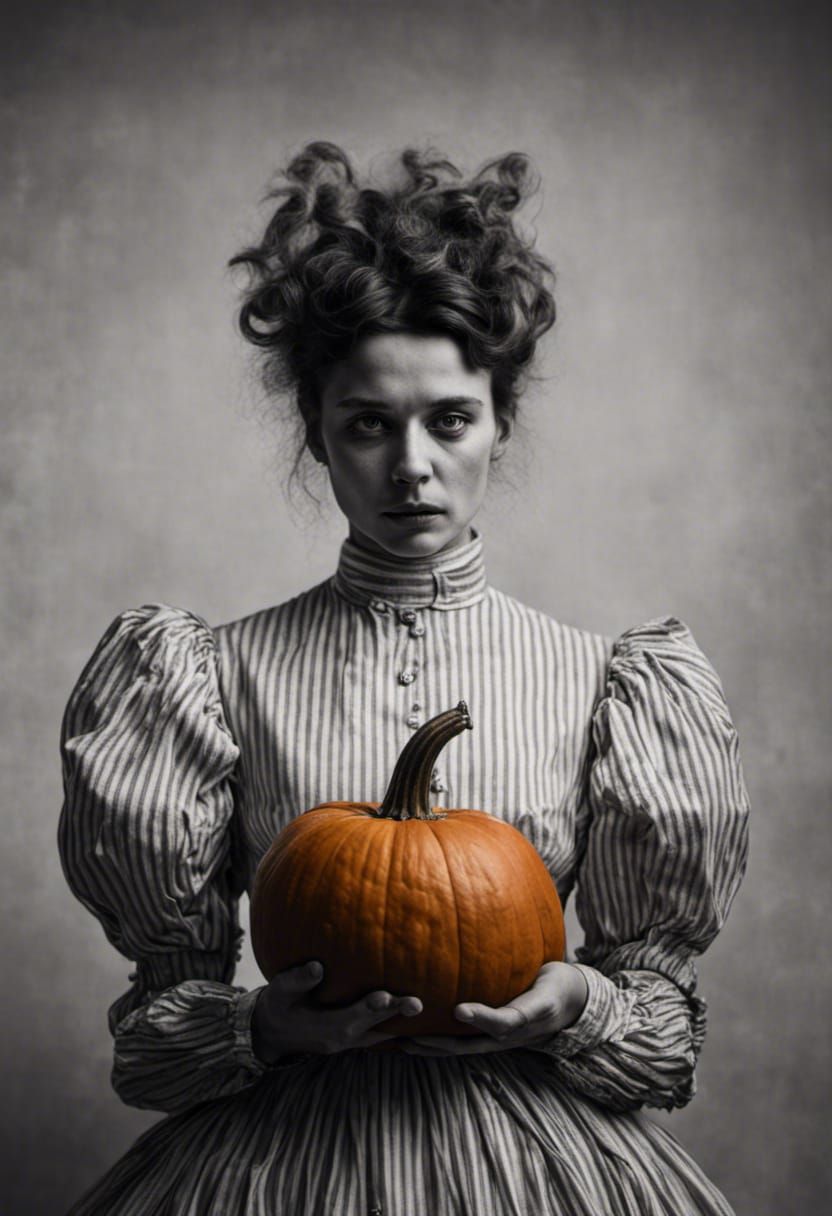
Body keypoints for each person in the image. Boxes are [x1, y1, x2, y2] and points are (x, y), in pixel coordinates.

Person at [58, 142, 750, 1215]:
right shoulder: (208, 675)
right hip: (282, 1167)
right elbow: (151, 1052)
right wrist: (261, 1025)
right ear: (318, 437)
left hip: (541, 1168)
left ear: (500, 423)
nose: (412, 466)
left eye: (450, 419)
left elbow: (662, 1050)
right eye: (369, 424)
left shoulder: (606, 682)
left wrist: (578, 1003)